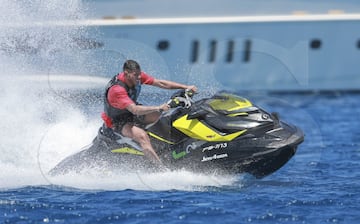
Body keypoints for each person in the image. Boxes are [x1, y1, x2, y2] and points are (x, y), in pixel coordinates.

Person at [101, 59, 197, 164]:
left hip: (130, 112)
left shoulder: (136, 76)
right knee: (142, 136)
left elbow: (161, 83)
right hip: (117, 122)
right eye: (135, 75)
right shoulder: (117, 90)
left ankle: (163, 144)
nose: (139, 78)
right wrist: (158, 107)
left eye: (139, 74)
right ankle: (159, 168)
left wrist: (186, 87)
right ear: (126, 74)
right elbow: (135, 110)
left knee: (159, 116)